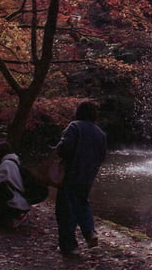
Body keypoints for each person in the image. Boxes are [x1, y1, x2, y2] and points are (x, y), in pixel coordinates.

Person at [55, 100, 107, 256]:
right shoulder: (100, 133)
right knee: (82, 203)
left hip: (71, 174)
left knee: (65, 210)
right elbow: (102, 156)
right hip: (88, 176)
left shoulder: (74, 126)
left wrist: (57, 149)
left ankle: (70, 246)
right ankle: (90, 232)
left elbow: (65, 148)